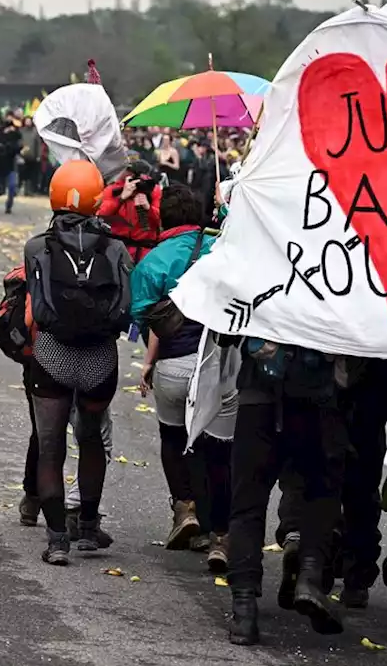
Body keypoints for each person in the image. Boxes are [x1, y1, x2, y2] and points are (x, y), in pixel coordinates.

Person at [23, 159, 132, 566]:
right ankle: (87, 527)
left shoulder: (36, 246)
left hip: (52, 354)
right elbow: (126, 304)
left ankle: (55, 539)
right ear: (97, 198)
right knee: (90, 440)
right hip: (100, 357)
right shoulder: (117, 248)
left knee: (50, 445)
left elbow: (36, 299)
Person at [131, 184, 234, 570]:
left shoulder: (152, 262)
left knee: (173, 437)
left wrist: (152, 360)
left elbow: (142, 315)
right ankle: (218, 531)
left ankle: (184, 508)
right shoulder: (221, 249)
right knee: (218, 449)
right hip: (218, 365)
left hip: (172, 364)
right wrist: (224, 209)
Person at [226, 340, 348, 645]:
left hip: (259, 395)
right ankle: (309, 576)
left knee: (247, 503)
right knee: (320, 491)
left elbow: (224, 327)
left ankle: (244, 609)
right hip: (317, 396)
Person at [98, 160, 162, 264]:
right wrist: (121, 198)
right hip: (118, 248)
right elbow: (101, 215)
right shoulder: (113, 189)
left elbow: (161, 220)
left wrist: (148, 208)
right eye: (129, 170)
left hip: (145, 250)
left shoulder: (153, 189)